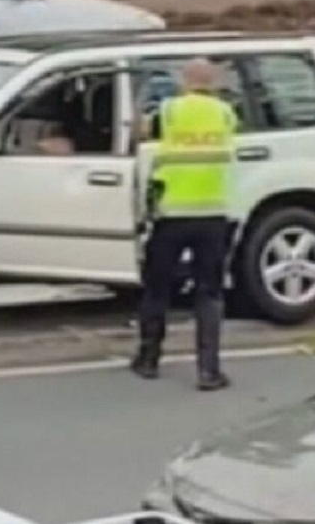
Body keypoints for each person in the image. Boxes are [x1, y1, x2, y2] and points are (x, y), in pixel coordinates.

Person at [132, 59, 237, 391]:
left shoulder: (171, 110)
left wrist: (137, 103)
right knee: (209, 293)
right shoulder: (225, 113)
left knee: (157, 287)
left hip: (172, 215)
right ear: (214, 82)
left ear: (185, 81)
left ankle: (148, 359)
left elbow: (142, 132)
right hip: (212, 215)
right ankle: (209, 371)